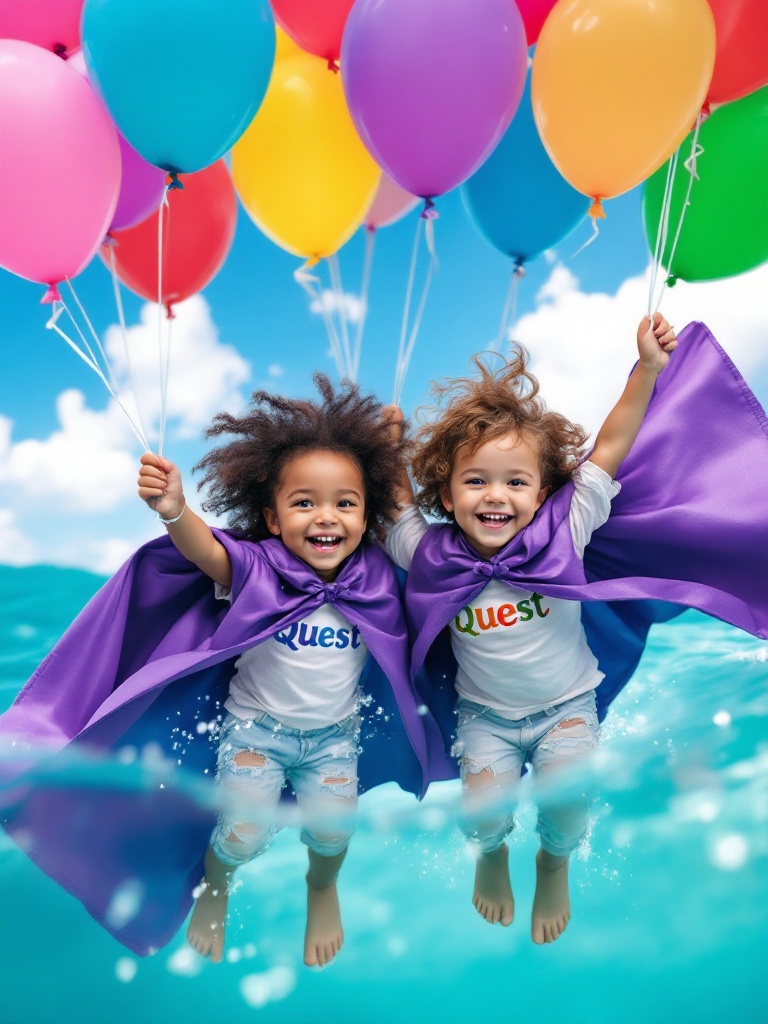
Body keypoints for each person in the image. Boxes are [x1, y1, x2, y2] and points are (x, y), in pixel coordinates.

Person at [0, 375, 433, 964]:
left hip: (336, 740)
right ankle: (217, 883)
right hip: (256, 733)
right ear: (274, 518)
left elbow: (416, 540)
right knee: (241, 835)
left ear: (366, 515)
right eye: (304, 502)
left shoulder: (378, 577)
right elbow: (205, 549)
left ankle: (322, 888)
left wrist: (393, 453)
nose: (325, 517)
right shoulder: (258, 568)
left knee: (334, 833)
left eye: (345, 503)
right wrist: (176, 510)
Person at [385, 313, 677, 945]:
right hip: (483, 716)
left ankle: (553, 862)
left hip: (567, 707)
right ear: (448, 490)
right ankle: (494, 856)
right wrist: (390, 451)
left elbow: (609, 447)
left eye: (516, 482)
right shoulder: (429, 553)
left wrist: (647, 370)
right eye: (476, 481)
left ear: (544, 492)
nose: (497, 495)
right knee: (483, 817)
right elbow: (398, 506)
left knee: (568, 809)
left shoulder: (564, 529)